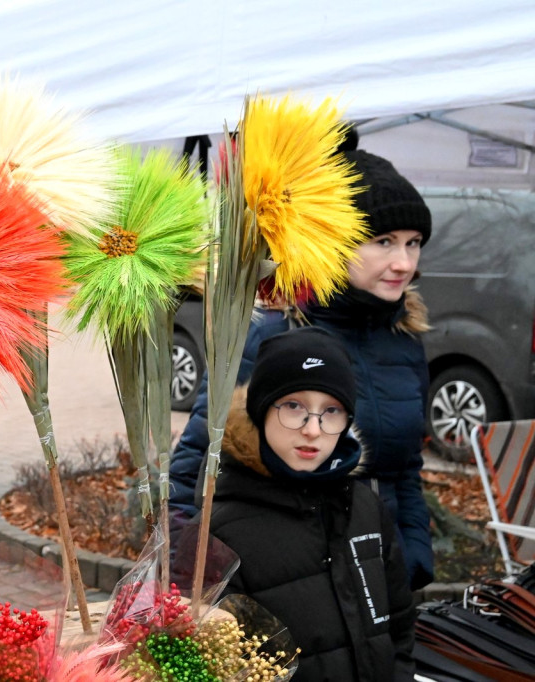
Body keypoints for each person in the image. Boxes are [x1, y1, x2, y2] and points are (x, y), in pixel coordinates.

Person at [170, 137, 435, 591]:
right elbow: (197, 463)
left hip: (380, 577)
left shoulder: (404, 341)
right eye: (384, 242)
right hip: (290, 585)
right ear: (333, 242)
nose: (403, 263)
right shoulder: (274, 334)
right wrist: (189, 574)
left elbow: (405, 471)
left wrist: (412, 559)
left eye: (414, 244)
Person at [207, 327, 416, 681]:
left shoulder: (365, 506)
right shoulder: (221, 533)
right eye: (293, 406)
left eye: (331, 410)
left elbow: (399, 624)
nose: (313, 430)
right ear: (260, 411)